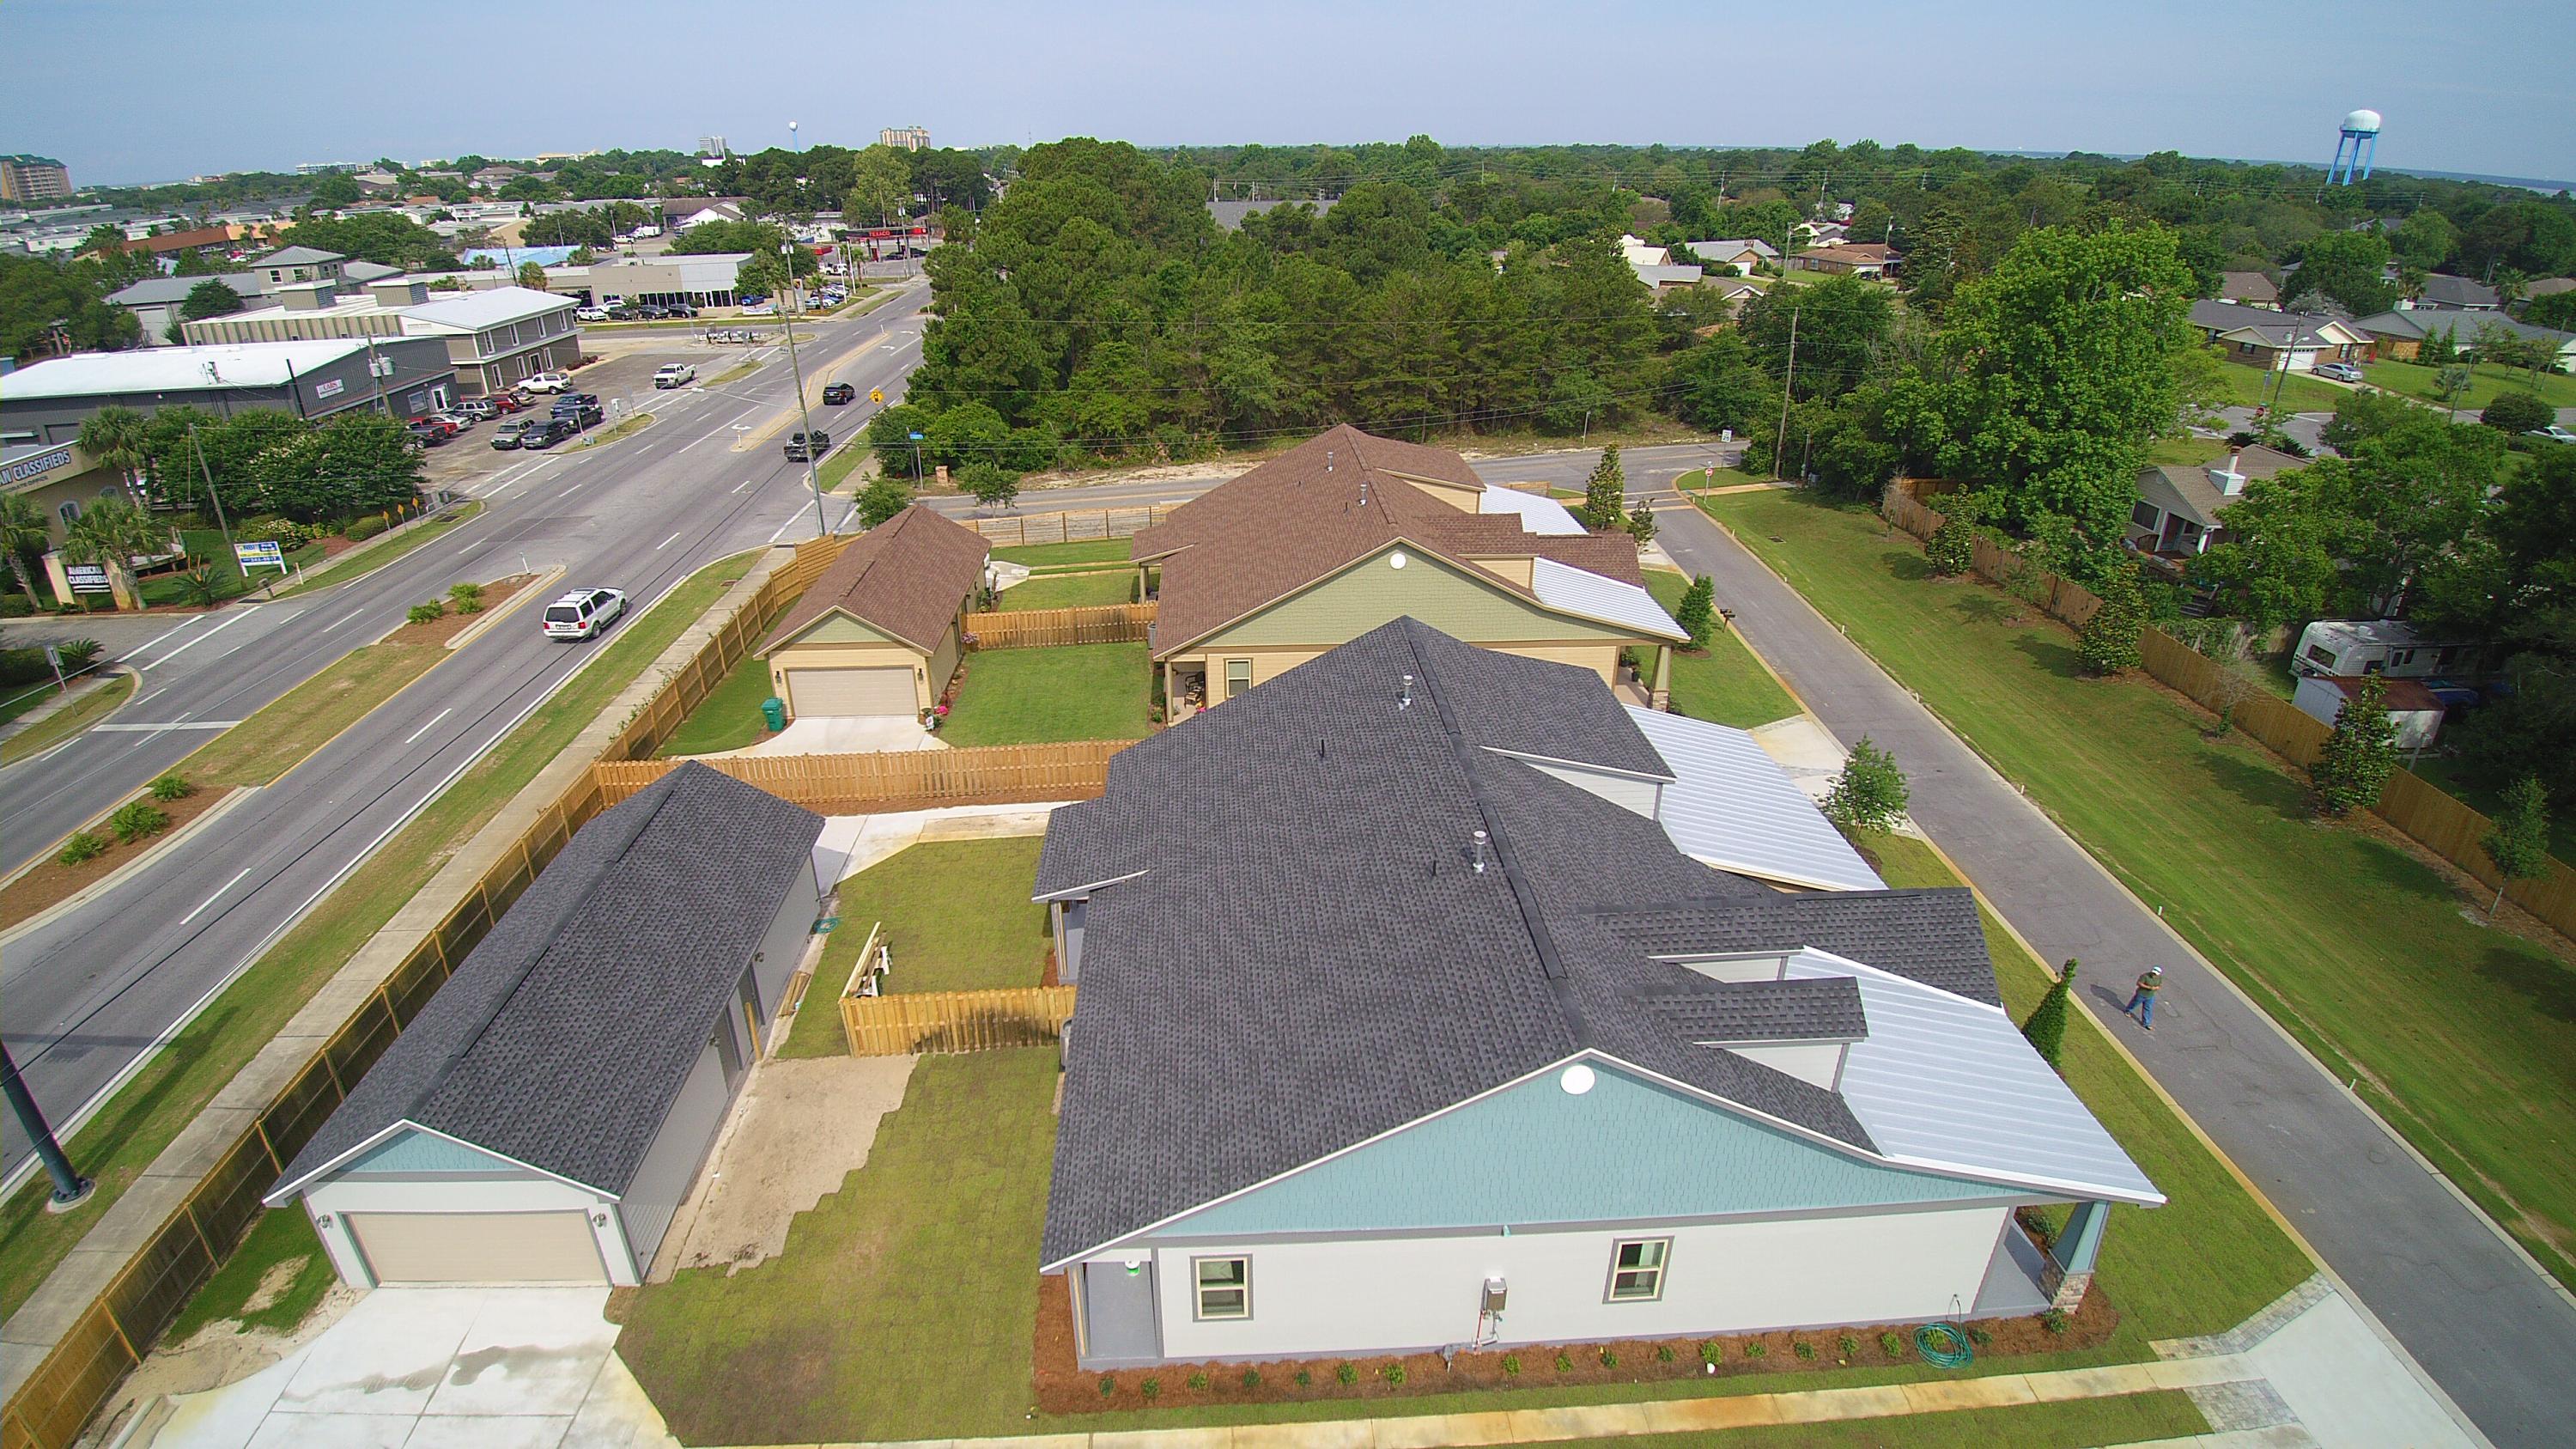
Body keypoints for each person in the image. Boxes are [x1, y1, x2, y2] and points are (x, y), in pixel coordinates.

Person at [2124, 966, 2165, 1031]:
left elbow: (2159, 985)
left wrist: (2157, 988)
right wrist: (2149, 987)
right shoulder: (2145, 976)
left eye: (2155, 974)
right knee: (2134, 1003)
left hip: (2150, 996)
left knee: (2148, 1009)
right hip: (2141, 994)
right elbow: (2139, 983)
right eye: (2153, 973)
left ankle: (2146, 1023)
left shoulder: (2159, 978)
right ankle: (2128, 1010)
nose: (2153, 974)